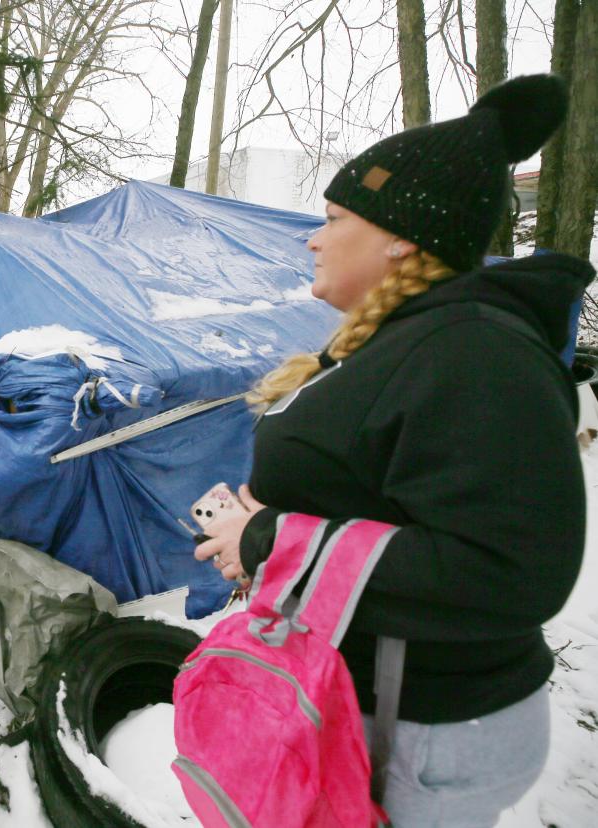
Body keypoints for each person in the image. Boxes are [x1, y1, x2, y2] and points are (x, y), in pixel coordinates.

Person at [194, 74, 592, 827]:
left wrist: (270, 540)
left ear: (402, 236)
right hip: (365, 704)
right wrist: (263, 531)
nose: (313, 236)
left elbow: (511, 568)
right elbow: (380, 492)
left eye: (335, 216)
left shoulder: (477, 351)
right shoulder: (404, 340)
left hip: (421, 735)